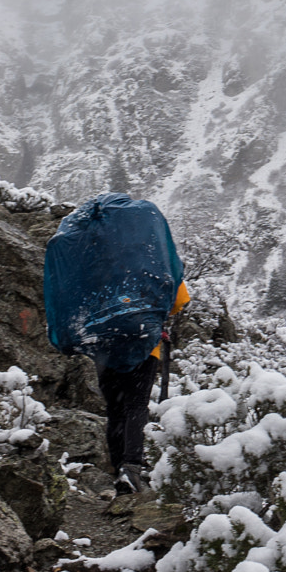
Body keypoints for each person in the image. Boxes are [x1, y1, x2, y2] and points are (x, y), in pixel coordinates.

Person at [42, 192, 190, 496]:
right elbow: (179, 301)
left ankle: (118, 469)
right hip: (143, 341)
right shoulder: (151, 264)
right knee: (136, 405)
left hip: (104, 343)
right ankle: (132, 469)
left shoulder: (96, 266)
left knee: (115, 406)